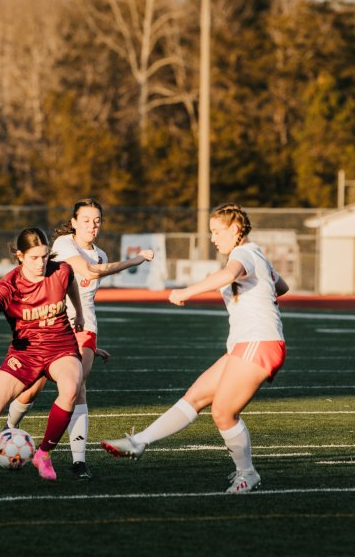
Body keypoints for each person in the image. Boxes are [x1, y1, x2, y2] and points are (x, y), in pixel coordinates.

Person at [100, 203, 288, 495]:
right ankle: (139, 442)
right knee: (196, 396)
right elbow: (282, 286)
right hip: (247, 342)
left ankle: (247, 473)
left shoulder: (242, 254)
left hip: (258, 341)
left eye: (217, 232)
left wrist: (187, 291)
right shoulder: (255, 253)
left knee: (223, 412)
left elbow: (229, 275)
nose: (212, 238)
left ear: (235, 229)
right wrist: (263, 285)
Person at [5, 198, 154, 480]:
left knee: (77, 387)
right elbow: (87, 271)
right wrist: (135, 260)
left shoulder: (102, 255)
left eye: (97, 221)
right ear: (73, 222)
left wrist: (89, 344)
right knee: (33, 387)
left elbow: (87, 296)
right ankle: (9, 428)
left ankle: (78, 461)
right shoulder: (64, 245)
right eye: (85, 220)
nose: (91, 225)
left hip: (85, 328)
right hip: (51, 323)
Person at [0, 227, 84, 485]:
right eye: (34, 258)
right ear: (20, 256)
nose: (41, 263)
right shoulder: (9, 285)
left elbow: (71, 283)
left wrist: (78, 312)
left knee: (70, 389)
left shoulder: (61, 270)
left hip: (61, 346)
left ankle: (43, 454)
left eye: (45, 256)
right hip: (24, 354)